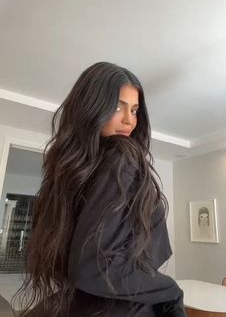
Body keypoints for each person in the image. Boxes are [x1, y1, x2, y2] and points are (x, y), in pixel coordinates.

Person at [16, 62, 186, 316]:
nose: (129, 120)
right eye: (118, 106)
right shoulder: (122, 158)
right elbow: (93, 265)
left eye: (135, 110)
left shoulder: (71, 169)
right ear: (91, 106)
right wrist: (170, 289)